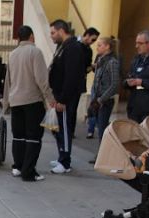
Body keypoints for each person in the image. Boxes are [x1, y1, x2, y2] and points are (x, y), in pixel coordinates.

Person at [2, 25, 54, 182]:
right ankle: (29, 171)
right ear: (31, 36)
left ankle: (18, 167)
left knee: (18, 135)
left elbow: (8, 81)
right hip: (32, 100)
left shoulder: (13, 54)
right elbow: (42, 79)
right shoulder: (35, 52)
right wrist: (50, 99)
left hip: (15, 100)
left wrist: (6, 103)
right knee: (33, 137)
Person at [48, 19, 85, 174]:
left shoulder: (73, 48)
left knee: (64, 129)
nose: (51, 36)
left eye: (53, 33)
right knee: (57, 129)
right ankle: (62, 155)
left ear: (62, 30)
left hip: (66, 98)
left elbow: (71, 76)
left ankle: (65, 162)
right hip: (59, 95)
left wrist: (63, 99)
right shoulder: (63, 47)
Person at [89, 37, 120, 163]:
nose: (97, 47)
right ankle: (103, 154)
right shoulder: (101, 60)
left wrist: (101, 100)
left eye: (100, 45)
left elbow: (114, 84)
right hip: (97, 99)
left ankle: (103, 157)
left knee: (102, 129)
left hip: (105, 100)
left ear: (108, 46)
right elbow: (97, 81)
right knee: (100, 127)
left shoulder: (112, 62)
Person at [78, 27, 100, 138]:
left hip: (80, 81)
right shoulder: (75, 45)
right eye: (93, 40)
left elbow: (87, 67)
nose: (93, 43)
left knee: (74, 107)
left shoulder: (88, 50)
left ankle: (70, 131)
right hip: (71, 81)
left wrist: (91, 67)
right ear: (86, 35)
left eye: (95, 41)